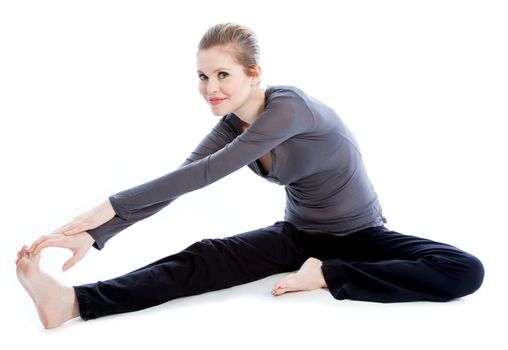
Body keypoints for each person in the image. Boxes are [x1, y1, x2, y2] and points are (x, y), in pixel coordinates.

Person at [15, 23, 484, 329]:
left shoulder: (289, 108)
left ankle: (328, 275)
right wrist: (98, 234)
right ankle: (72, 303)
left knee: (465, 271)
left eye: (222, 74)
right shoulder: (229, 127)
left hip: (361, 235)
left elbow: (207, 175)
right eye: (202, 76)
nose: (210, 88)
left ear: (253, 73)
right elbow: (182, 179)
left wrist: (110, 204)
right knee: (203, 259)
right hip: (299, 234)